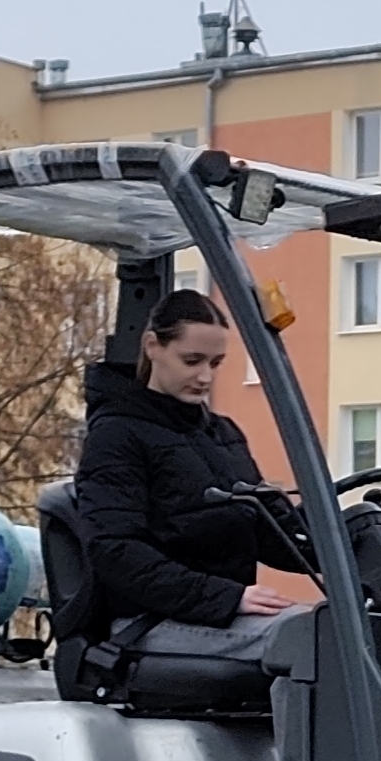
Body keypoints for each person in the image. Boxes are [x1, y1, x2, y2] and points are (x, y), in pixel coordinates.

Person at [67, 287, 322, 671]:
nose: (204, 377)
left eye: (216, 363)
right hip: (151, 621)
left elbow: (271, 529)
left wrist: (342, 545)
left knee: (350, 630)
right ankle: (304, 735)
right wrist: (226, 597)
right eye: (192, 360)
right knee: (311, 642)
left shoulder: (222, 433)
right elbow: (114, 549)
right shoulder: (117, 436)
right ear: (153, 346)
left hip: (218, 614)